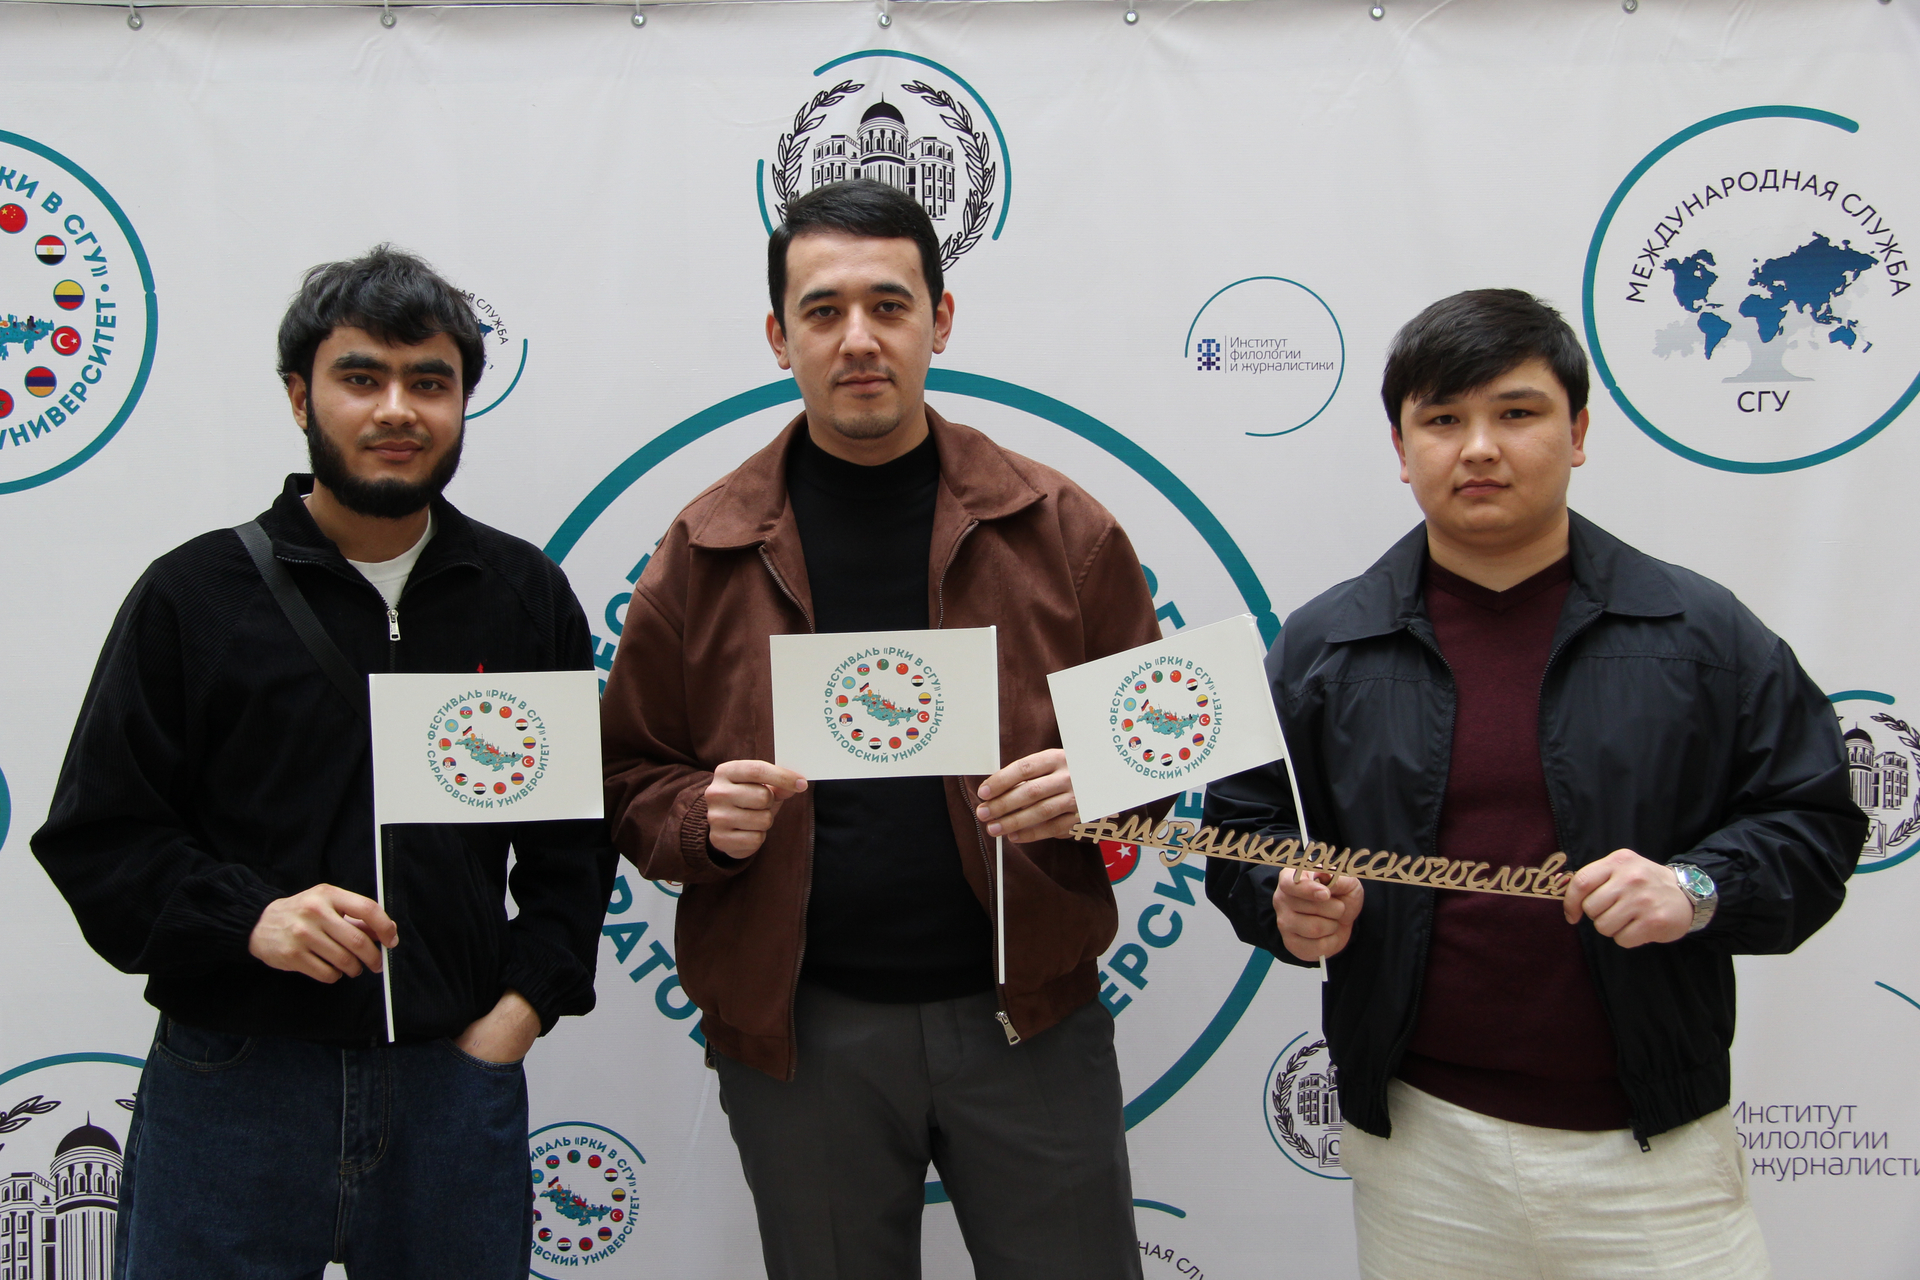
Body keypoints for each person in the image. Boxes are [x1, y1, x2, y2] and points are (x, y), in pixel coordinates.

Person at [1204, 289, 1862, 1280]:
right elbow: (1244, 828)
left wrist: (1694, 888)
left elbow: (1813, 825)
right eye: (1442, 419)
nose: (1479, 448)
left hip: (1654, 1152)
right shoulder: (1322, 646)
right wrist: (1283, 901)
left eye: (1516, 413)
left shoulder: (1700, 633)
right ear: (1401, 448)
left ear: (1579, 431)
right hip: (1423, 1149)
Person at [601, 179, 1159, 1279]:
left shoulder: (1061, 528)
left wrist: (1097, 775)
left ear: (939, 322)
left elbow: (1160, 745)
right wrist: (700, 819)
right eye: (823, 310)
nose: (858, 338)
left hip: (1028, 1018)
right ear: (779, 338)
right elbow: (627, 771)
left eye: (889, 305)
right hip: (802, 1036)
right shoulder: (704, 547)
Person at [33, 246, 617, 1279]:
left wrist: (521, 1010)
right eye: (361, 377)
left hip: (452, 1086)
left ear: (462, 403)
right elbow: (100, 838)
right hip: (234, 1085)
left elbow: (574, 842)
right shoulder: (193, 595)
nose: (397, 409)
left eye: (429, 381)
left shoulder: (522, 596)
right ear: (301, 397)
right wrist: (248, 918)